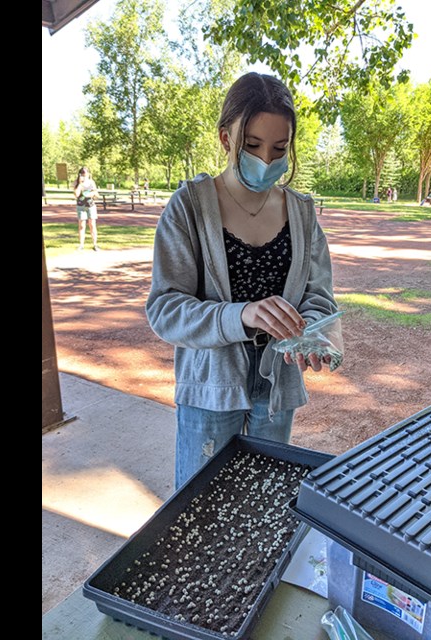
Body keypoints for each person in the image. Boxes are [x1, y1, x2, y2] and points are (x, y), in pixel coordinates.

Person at [146, 72, 342, 488]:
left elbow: (319, 297)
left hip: (277, 390)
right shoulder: (189, 208)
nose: (267, 160)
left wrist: (314, 335)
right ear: (225, 138)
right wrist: (243, 315)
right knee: (202, 513)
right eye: (252, 146)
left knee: (267, 501)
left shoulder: (303, 214)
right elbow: (164, 310)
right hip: (211, 389)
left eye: (280, 148)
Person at [73, 167, 99, 251]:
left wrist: (92, 193)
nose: (85, 176)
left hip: (90, 205)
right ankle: (81, 245)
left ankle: (95, 244)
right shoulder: (77, 183)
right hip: (81, 206)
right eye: (83, 174)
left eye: (86, 174)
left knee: (92, 225)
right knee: (81, 225)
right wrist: (80, 184)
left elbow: (96, 194)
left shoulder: (91, 182)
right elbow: (76, 194)